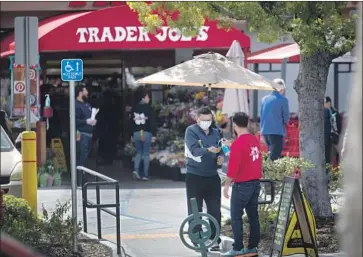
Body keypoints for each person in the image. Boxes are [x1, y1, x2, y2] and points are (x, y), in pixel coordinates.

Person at [222, 112, 263, 257]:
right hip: (255, 183)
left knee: (236, 216)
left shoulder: (238, 143)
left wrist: (226, 185)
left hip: (242, 184)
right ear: (247, 123)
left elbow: (233, 167)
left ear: (234, 125)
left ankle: (238, 248)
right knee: (253, 217)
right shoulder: (254, 140)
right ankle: (252, 247)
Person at [184, 106, 224, 252]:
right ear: (197, 119)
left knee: (215, 209)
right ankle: (196, 237)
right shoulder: (191, 131)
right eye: (203, 120)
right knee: (195, 208)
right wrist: (208, 150)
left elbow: (222, 149)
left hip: (212, 176)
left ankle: (215, 239)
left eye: (209, 120)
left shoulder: (216, 132)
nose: (206, 122)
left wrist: (220, 157)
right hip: (195, 175)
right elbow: (194, 149)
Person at [260, 78, 290, 160]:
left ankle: (267, 170)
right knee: (274, 156)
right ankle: (266, 171)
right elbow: (286, 117)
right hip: (276, 131)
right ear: (281, 88)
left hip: (264, 131)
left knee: (271, 153)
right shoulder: (283, 100)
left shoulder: (264, 99)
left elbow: (261, 115)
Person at [131, 89, 156, 181]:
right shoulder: (149, 108)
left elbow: (131, 122)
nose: (149, 98)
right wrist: (154, 134)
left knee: (138, 152)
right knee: (145, 153)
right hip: (146, 132)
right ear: (144, 97)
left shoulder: (134, 108)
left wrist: (131, 134)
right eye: (147, 97)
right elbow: (152, 122)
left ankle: (136, 170)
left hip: (137, 132)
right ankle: (145, 174)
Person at [75, 85, 97, 184]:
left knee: (86, 156)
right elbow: (74, 121)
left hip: (89, 134)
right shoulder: (75, 105)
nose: (87, 93)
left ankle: (84, 178)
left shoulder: (87, 105)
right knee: (82, 156)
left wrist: (92, 121)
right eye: (85, 91)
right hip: (81, 134)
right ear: (80, 92)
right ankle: (80, 180)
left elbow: (89, 117)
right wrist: (86, 121)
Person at [324, 96, 342, 165]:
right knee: (328, 158)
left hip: (332, 139)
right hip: (327, 139)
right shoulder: (325, 112)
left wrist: (335, 135)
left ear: (329, 103)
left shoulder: (334, 112)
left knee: (330, 158)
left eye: (324, 103)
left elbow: (338, 127)